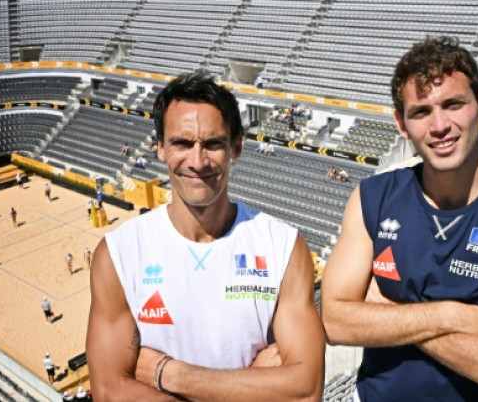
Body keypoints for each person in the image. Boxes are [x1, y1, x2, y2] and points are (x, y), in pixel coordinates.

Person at [322, 37, 478, 401]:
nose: (439, 125)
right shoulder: (372, 198)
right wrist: (456, 316)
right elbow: (334, 320)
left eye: (453, 104)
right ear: (401, 124)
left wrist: (389, 310)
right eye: (421, 112)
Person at [85, 70, 324, 401]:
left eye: (213, 144)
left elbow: (305, 392)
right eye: (182, 143)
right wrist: (253, 385)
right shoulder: (118, 254)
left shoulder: (283, 247)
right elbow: (110, 392)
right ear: (160, 149)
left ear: (236, 147)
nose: (197, 161)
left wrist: (169, 373)